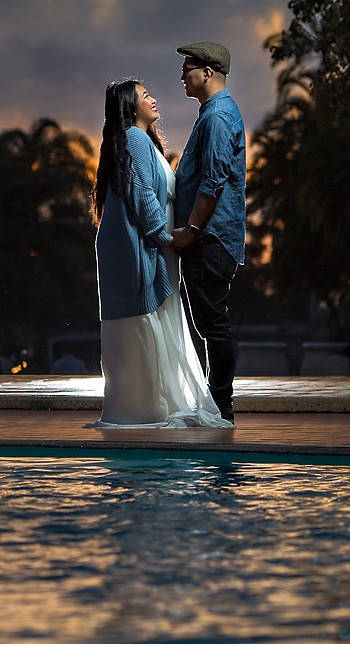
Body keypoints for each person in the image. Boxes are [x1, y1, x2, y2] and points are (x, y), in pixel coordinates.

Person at [87, 78, 231, 428]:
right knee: (145, 324)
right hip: (149, 248)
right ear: (130, 107)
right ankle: (143, 409)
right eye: (145, 96)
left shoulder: (141, 141)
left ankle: (149, 405)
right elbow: (143, 197)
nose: (153, 99)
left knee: (151, 326)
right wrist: (168, 237)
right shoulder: (134, 139)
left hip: (153, 249)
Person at [170, 42, 246, 424]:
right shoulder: (213, 113)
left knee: (213, 324)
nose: (182, 75)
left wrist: (191, 230)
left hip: (210, 238)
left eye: (188, 68)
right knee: (210, 322)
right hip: (212, 238)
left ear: (208, 72)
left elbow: (213, 181)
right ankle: (218, 405)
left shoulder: (217, 117)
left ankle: (221, 407)